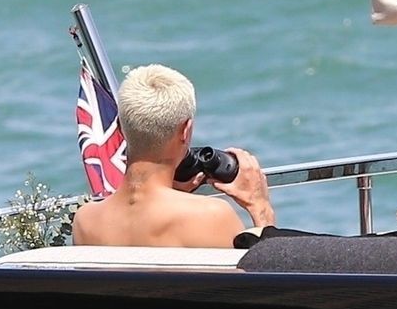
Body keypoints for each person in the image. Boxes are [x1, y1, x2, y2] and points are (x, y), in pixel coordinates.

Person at [71, 64, 276, 248]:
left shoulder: (86, 221)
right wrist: (261, 209)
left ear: (119, 128)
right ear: (185, 130)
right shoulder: (211, 217)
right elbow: (264, 276)